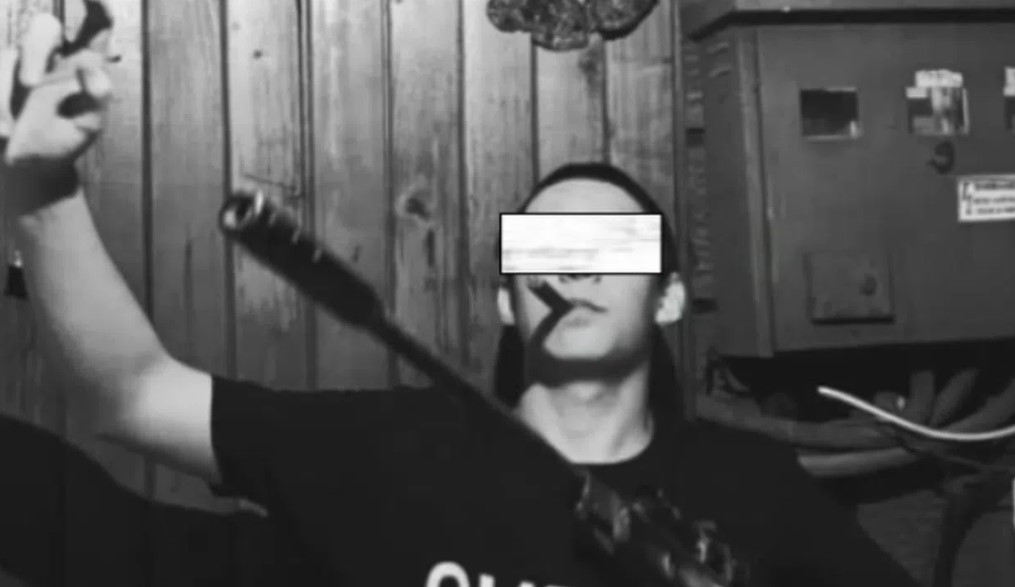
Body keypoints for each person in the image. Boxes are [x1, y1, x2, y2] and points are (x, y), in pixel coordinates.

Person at [1, 8, 920, 587]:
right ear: (507, 302)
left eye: (608, 248)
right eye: (543, 251)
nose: (570, 270)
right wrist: (42, 188)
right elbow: (131, 394)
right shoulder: (392, 451)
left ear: (670, 296)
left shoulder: (752, 488)